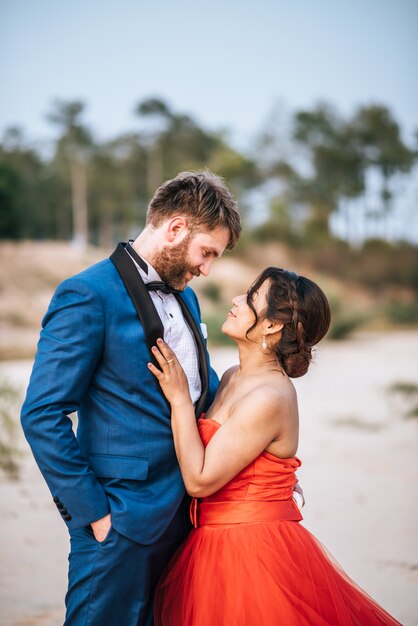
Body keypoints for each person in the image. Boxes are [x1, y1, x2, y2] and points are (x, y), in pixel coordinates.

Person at [20, 171, 242, 626]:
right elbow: (42, 414)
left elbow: (203, 393)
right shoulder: (87, 294)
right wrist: (94, 516)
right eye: (207, 253)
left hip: (187, 519)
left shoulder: (188, 299)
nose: (206, 269)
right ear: (175, 229)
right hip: (118, 522)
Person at [149, 267, 402, 626]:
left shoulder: (271, 395)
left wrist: (178, 400)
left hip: (252, 552)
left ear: (272, 326)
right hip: (211, 541)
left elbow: (201, 480)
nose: (236, 300)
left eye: (250, 298)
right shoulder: (234, 378)